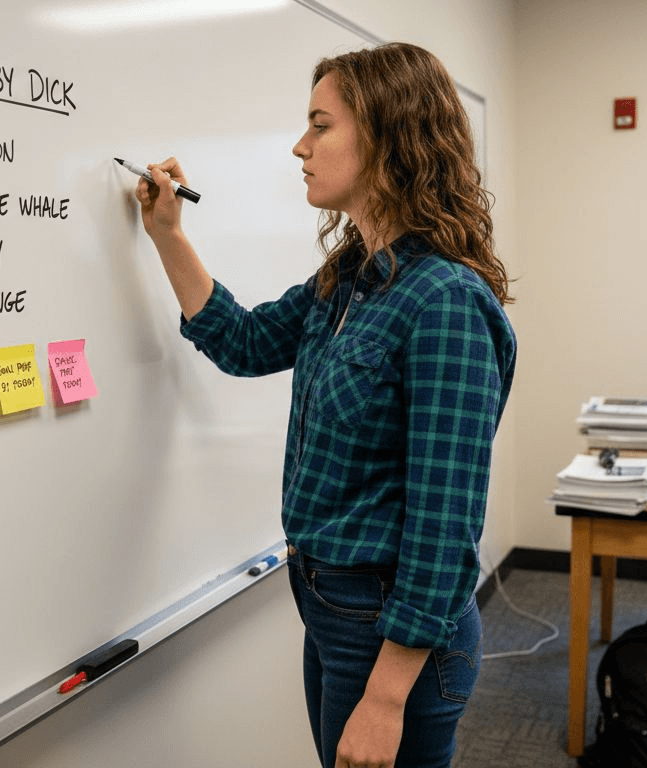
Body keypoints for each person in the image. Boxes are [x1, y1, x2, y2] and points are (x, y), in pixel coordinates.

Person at [132, 42, 515, 768]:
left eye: (320, 126)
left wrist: (386, 697)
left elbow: (444, 525)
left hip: (396, 636)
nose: (300, 147)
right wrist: (168, 235)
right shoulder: (352, 277)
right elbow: (244, 343)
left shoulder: (445, 305)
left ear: (387, 138)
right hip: (332, 610)